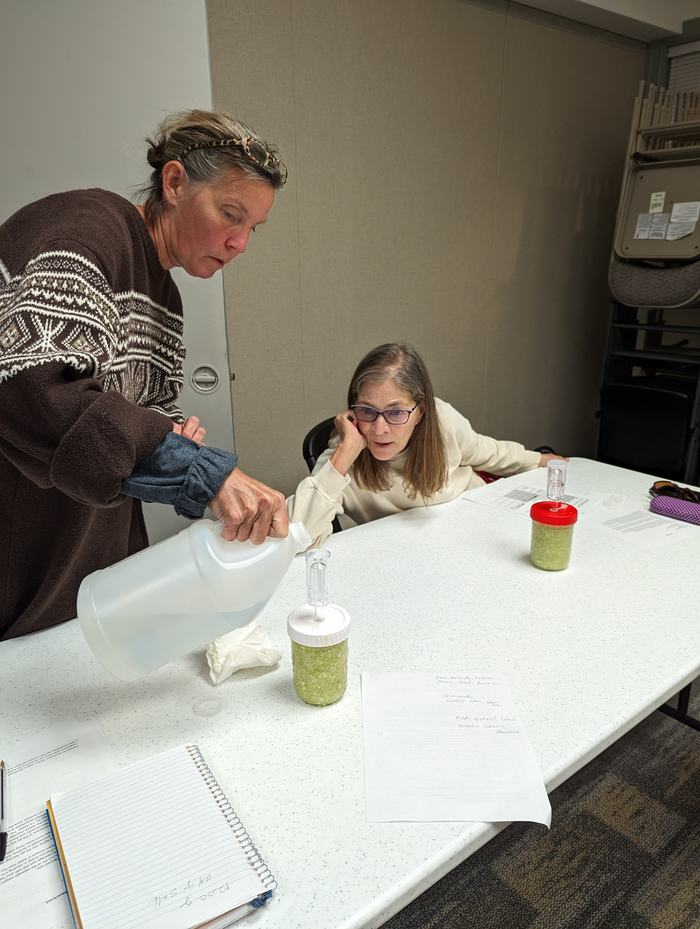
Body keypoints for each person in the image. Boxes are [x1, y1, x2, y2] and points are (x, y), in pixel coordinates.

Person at [0, 110, 290, 640]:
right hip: (24, 559)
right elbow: (35, 390)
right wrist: (199, 469)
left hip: (88, 552)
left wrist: (166, 432)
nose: (240, 243)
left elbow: (125, 417)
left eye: (252, 228)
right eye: (230, 213)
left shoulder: (164, 294)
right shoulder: (85, 234)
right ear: (175, 182)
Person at [287, 342, 567, 546]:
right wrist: (344, 454)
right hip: (413, 554)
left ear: (420, 411)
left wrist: (539, 460)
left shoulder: (441, 419)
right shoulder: (345, 453)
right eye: (367, 410)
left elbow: (485, 451)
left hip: (478, 529)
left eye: (396, 412)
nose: (380, 429)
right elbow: (298, 537)